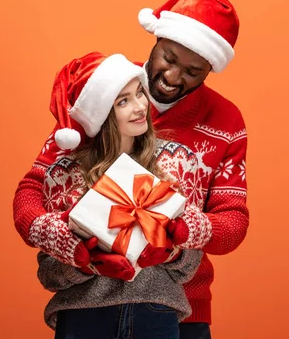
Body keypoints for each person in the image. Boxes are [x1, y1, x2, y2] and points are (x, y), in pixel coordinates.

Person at [13, 0, 250, 339]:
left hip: (180, 305)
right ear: (156, 41)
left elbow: (233, 220)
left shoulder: (225, 122)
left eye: (192, 71)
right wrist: (57, 234)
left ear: (210, 69)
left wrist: (187, 229)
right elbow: (35, 186)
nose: (172, 78)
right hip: (87, 302)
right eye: (168, 59)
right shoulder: (105, 89)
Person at [21, 51, 204, 338]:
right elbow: (49, 274)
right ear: (101, 113)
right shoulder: (65, 173)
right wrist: (86, 261)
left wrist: (170, 251)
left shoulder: (176, 161)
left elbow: (190, 265)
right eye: (123, 101)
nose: (139, 107)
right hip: (83, 317)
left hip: (154, 313)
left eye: (139, 93)